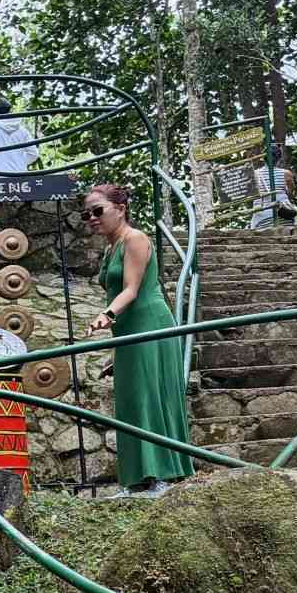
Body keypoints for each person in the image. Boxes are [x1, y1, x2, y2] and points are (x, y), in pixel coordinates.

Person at [84, 184, 195, 497]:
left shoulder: (136, 239)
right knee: (131, 400)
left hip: (149, 323)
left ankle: (163, 475)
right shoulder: (111, 247)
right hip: (127, 331)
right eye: (86, 214)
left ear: (121, 209)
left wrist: (106, 314)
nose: (91, 218)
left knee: (150, 395)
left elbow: (131, 290)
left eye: (97, 211)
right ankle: (136, 480)